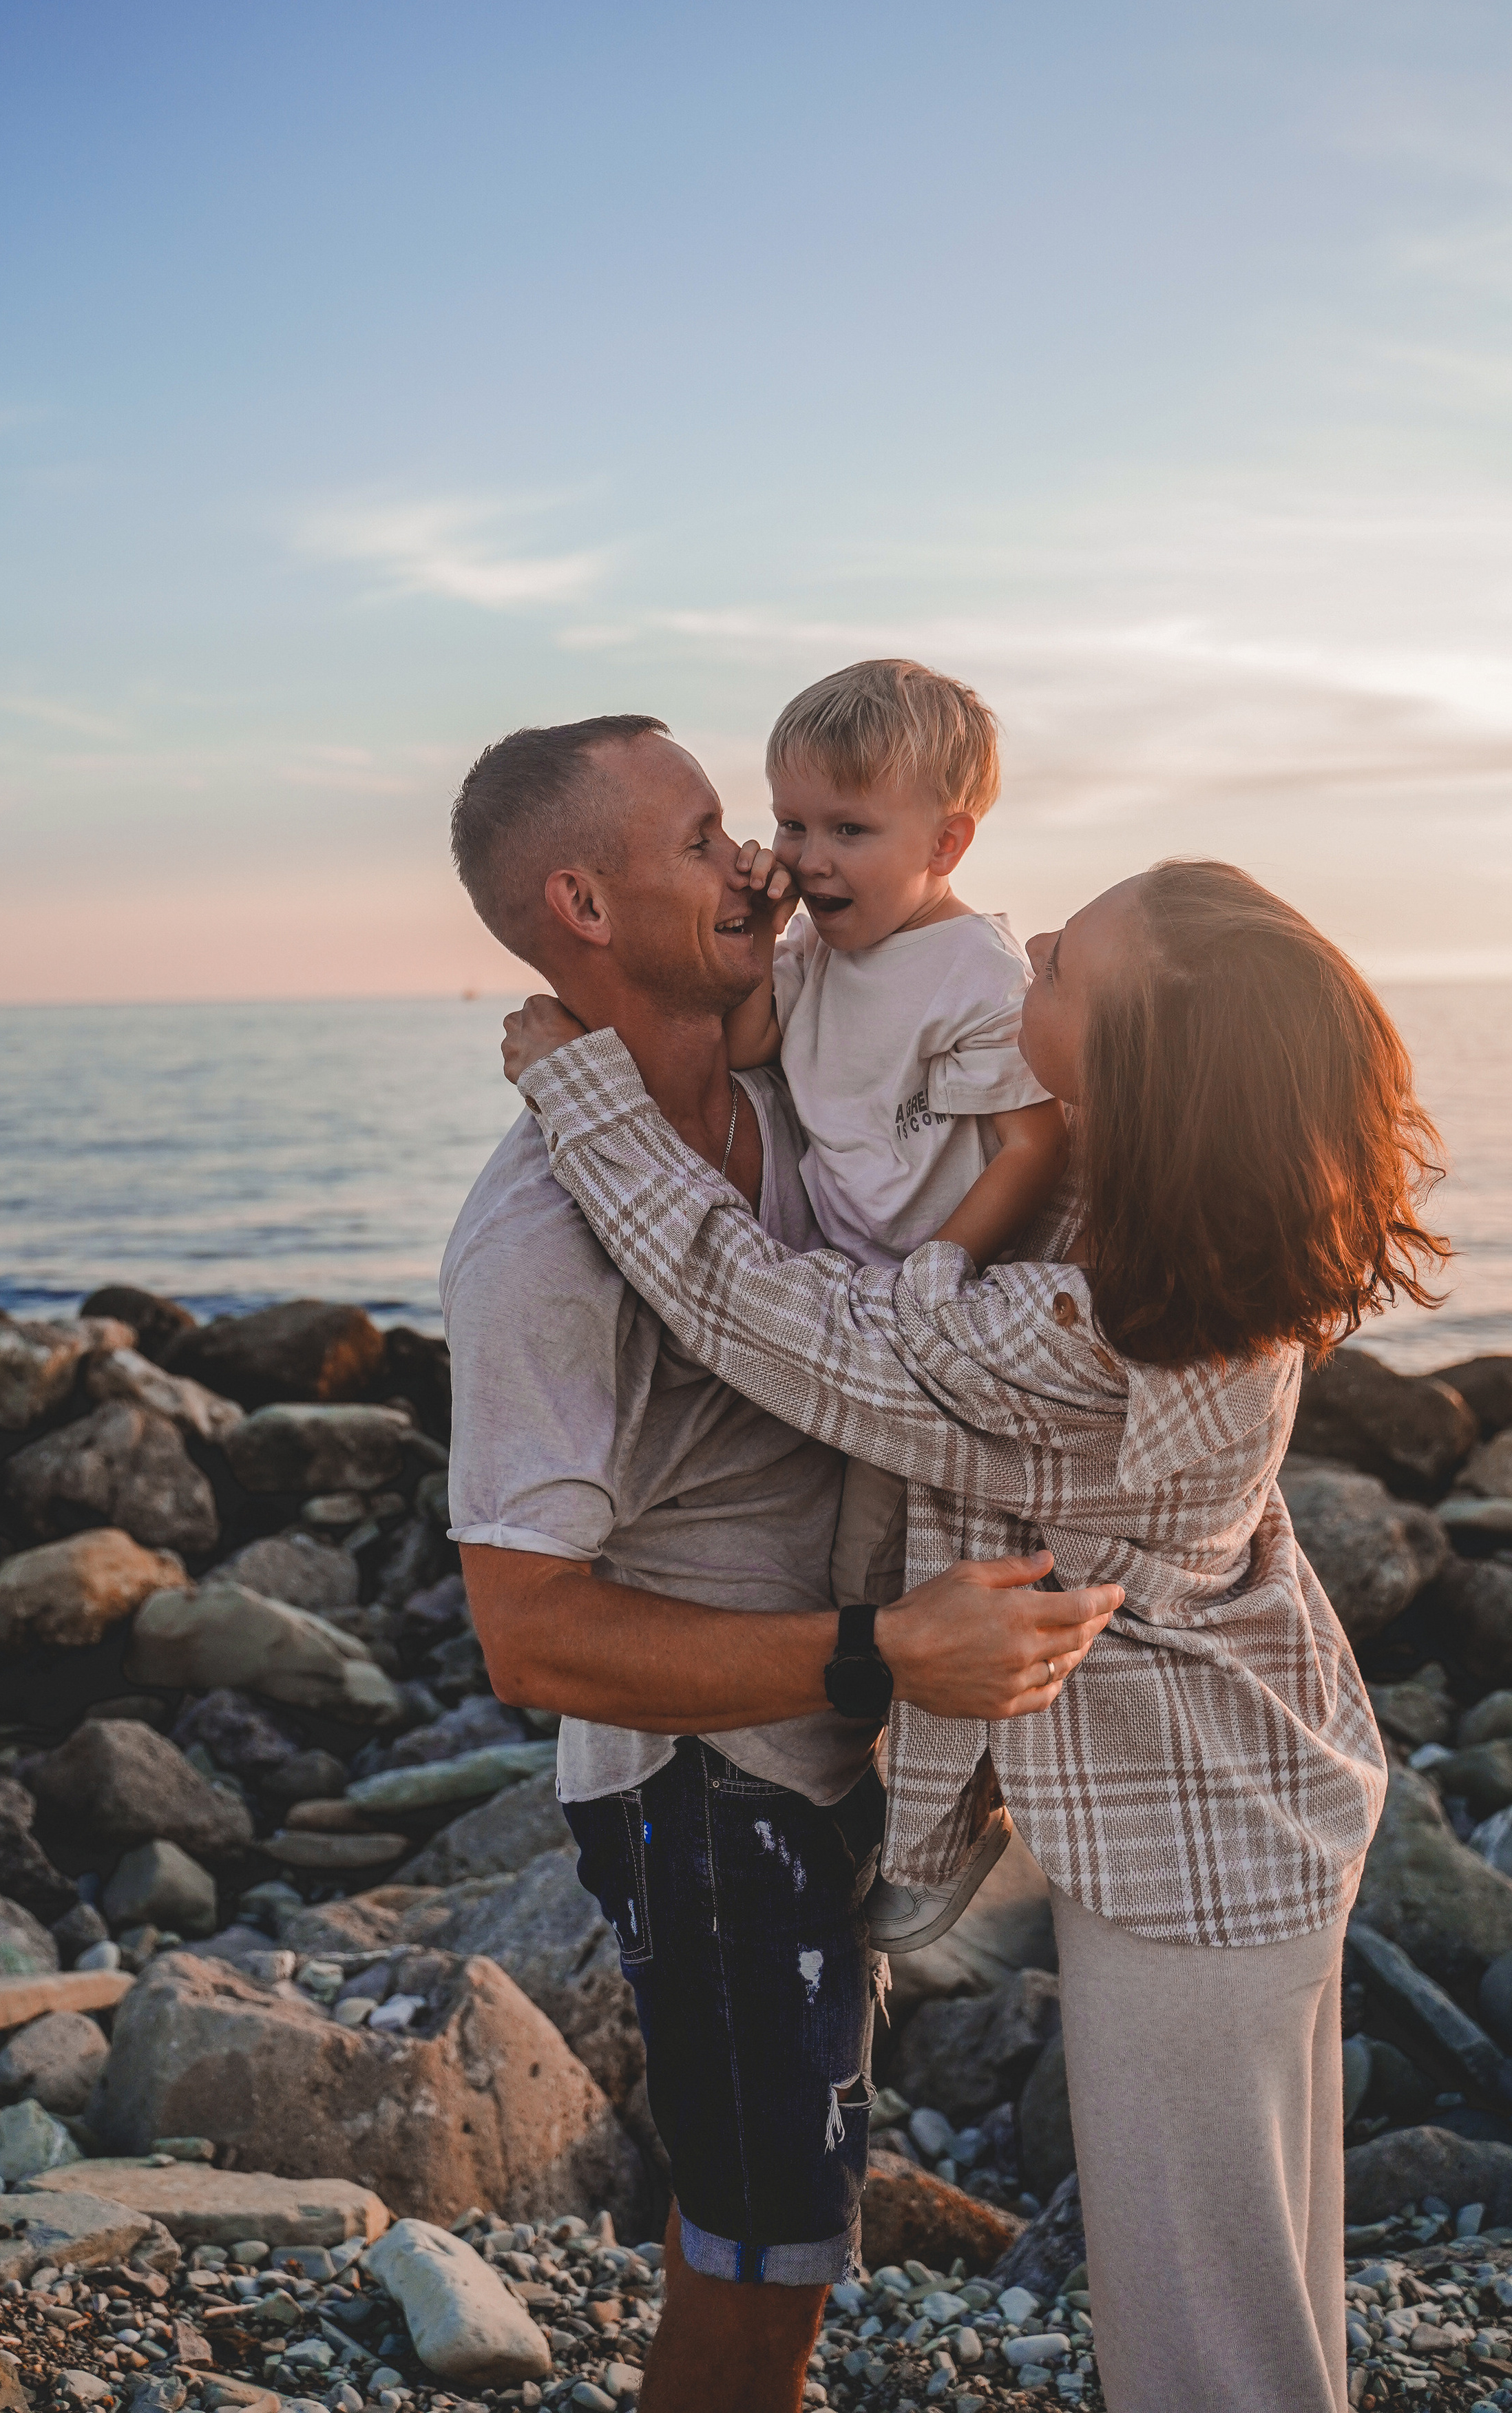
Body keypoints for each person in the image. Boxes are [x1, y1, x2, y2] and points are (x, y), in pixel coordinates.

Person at [505, 857, 1447, 2413]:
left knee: (1199, 2320)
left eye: (1070, 968)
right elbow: (891, 1062)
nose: (1035, 951)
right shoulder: (1170, 1207)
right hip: (1263, 1784)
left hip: (1189, 1842)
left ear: (1142, 1060)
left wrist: (586, 1095)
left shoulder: (1099, 1328)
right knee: (1262, 2265)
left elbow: (763, 1317)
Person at [441, 713, 1123, 2413]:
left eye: (745, 825)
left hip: (834, 1747)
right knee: (764, 2249)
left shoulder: (791, 1093)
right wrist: (879, 1655)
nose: (755, 860)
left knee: (787, 2228)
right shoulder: (538, 1240)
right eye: (701, 840)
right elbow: (525, 1638)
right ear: (583, 905)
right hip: (701, 1794)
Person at [722, 656, 1068, 1953]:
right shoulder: (815, 946)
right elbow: (756, 1045)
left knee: (914, 1574)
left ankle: (948, 1822)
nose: (809, 856)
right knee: (848, 1568)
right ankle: (871, 1795)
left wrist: (942, 1276)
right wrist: (756, 940)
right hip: (847, 1304)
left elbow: (1035, 1146)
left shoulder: (972, 970)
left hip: (939, 1319)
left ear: (949, 838)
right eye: (793, 823)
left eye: (850, 831)